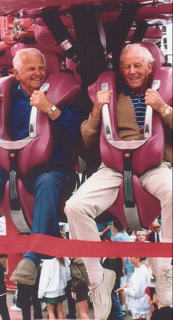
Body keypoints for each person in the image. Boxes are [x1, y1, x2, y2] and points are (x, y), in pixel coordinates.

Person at [64, 43, 172, 319]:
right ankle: (98, 279)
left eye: (138, 66)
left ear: (150, 67)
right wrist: (96, 111)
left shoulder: (166, 90)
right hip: (114, 167)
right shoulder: (109, 95)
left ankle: (165, 266)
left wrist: (164, 109)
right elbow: (87, 140)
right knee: (74, 206)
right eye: (127, 66)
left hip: (154, 165)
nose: (132, 71)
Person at [0, 48, 86, 285]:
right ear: (16, 73)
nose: (38, 73)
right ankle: (64, 255)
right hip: (7, 167)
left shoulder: (61, 94)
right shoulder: (5, 98)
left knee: (47, 183)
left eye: (41, 68)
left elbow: (81, 135)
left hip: (51, 168)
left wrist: (51, 110)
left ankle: (32, 257)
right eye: (31, 69)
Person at [112, 220, 134, 317]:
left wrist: (121, 268)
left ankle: (122, 308)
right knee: (128, 285)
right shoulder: (125, 235)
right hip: (130, 264)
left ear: (114, 227)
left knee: (122, 287)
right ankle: (129, 306)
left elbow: (122, 255)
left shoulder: (117, 237)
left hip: (124, 265)